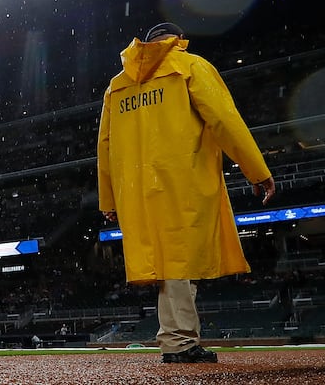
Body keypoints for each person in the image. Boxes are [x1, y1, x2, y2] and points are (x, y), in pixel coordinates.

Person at [97, 22, 276, 364]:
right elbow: (224, 119)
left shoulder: (116, 86)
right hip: (182, 178)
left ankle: (176, 338)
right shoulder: (189, 65)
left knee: (170, 266)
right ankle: (179, 342)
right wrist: (256, 170)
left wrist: (109, 199)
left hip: (137, 189)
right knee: (180, 261)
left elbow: (104, 146)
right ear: (177, 40)